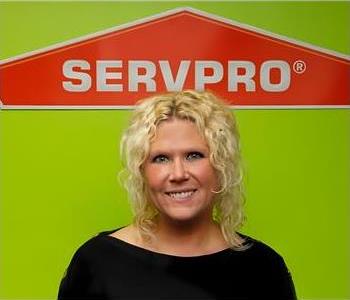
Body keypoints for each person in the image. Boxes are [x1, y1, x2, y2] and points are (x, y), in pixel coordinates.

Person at [58, 90, 297, 299]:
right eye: (161, 159)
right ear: (142, 171)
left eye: (194, 155)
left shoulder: (263, 267)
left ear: (220, 164)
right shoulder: (97, 262)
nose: (178, 173)